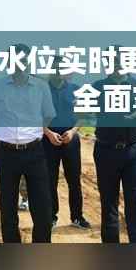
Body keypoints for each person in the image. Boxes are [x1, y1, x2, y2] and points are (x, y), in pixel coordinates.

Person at [0, 44, 56, 243]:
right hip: (6, 153)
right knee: (7, 208)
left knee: (43, 208)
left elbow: (48, 114)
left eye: (24, 59)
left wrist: (34, 131)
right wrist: (3, 134)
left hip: (35, 151)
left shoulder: (41, 86)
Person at [92, 52, 136, 243]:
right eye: (111, 60)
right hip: (105, 150)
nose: (116, 64)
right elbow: (81, 111)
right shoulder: (97, 87)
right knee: (108, 202)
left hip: (133, 150)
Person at [43, 56, 91, 229]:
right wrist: (48, 133)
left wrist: (72, 131)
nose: (58, 71)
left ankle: (77, 216)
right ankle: (51, 217)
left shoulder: (75, 89)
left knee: (74, 180)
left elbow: (83, 116)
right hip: (48, 140)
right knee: (50, 180)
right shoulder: (42, 90)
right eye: (55, 68)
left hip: (71, 139)